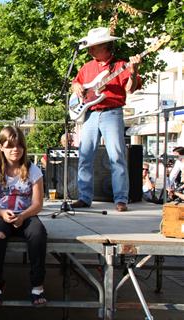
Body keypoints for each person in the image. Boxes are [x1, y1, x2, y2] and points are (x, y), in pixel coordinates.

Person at [71, 27, 142, 212]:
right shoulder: (87, 67)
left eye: (94, 46)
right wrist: (77, 87)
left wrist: (133, 72)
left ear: (105, 45)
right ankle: (84, 198)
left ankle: (121, 199)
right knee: (85, 156)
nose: (90, 49)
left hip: (112, 112)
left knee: (116, 156)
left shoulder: (120, 66)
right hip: (90, 114)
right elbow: (76, 82)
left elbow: (130, 88)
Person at [0, 126, 47, 308]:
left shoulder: (33, 170)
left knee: (38, 234)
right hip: (0, 215)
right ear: (1, 147)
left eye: (19, 145)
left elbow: (38, 204)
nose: (15, 149)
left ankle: (37, 286)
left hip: (26, 215)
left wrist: (23, 216)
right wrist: (3, 213)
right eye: (10, 145)